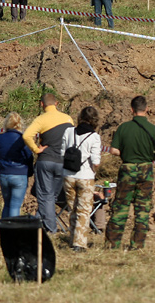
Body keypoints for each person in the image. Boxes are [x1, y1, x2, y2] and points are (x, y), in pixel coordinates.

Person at [105, 96, 155, 250]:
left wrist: (126, 153)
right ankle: (137, 245)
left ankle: (112, 244)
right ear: (146, 109)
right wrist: (148, 158)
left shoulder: (123, 128)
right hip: (146, 170)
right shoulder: (154, 130)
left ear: (131, 109)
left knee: (121, 207)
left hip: (127, 169)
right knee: (142, 209)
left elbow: (114, 150)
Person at [22, 93, 74, 234]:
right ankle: (36, 225)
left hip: (46, 161)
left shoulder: (41, 119)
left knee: (46, 197)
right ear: (57, 103)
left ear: (41, 104)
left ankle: (51, 230)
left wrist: (36, 149)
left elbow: (26, 135)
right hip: (62, 162)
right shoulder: (68, 119)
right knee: (52, 197)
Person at [62, 106, 101, 252]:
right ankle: (79, 243)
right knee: (83, 211)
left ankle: (72, 238)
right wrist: (94, 171)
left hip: (68, 176)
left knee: (72, 209)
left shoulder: (68, 131)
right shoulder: (94, 137)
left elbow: (62, 153)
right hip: (85, 177)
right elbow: (96, 162)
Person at [0, 112, 33, 218]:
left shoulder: (0, 138)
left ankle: (4, 226)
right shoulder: (22, 139)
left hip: (4, 174)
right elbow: (29, 156)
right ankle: (13, 227)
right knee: (15, 206)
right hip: (19, 174)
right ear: (20, 124)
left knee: (6, 205)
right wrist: (30, 172)